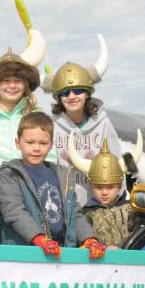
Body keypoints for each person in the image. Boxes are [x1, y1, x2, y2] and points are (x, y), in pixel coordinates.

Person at [0, 111, 105, 260]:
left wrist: (89, 238)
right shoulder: (10, 174)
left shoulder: (62, 175)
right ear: (18, 143)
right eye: (30, 142)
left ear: (51, 145)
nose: (36, 148)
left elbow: (74, 214)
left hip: (61, 251)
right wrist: (39, 238)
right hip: (26, 254)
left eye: (43, 143)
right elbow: (13, 211)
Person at [0, 29, 56, 193]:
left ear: (26, 85)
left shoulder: (36, 118)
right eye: (6, 81)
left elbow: (50, 159)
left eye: (18, 81)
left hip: (33, 201)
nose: (12, 86)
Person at [49, 36, 123, 201]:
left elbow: (116, 159)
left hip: (98, 202)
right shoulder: (52, 126)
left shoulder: (102, 122)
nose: (72, 96)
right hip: (65, 204)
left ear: (87, 94)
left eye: (78, 90)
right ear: (59, 98)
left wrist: (117, 197)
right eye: (65, 93)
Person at [79, 141, 145, 248]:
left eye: (110, 187)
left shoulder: (130, 208)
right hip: (102, 262)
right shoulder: (86, 214)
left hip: (131, 262)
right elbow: (84, 240)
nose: (104, 192)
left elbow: (143, 230)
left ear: (119, 186)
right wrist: (103, 248)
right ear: (91, 186)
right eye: (98, 187)